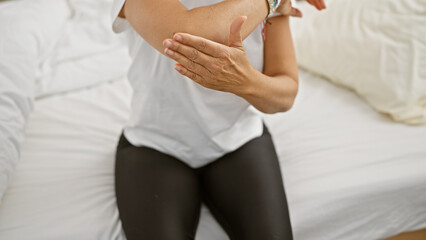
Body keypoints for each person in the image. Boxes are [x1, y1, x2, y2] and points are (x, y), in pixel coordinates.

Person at [112, 0, 326, 239]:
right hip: (155, 145)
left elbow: (284, 96)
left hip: (237, 139)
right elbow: (191, 36)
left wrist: (246, 83)